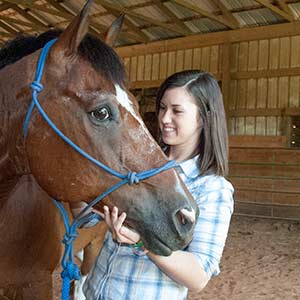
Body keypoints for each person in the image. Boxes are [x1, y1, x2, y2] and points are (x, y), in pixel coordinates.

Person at [80, 70, 234, 300]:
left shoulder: (213, 188)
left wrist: (142, 242)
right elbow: (87, 217)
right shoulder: (138, 167)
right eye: (162, 107)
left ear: (203, 117)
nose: (164, 118)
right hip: (94, 294)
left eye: (177, 110)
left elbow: (198, 277)